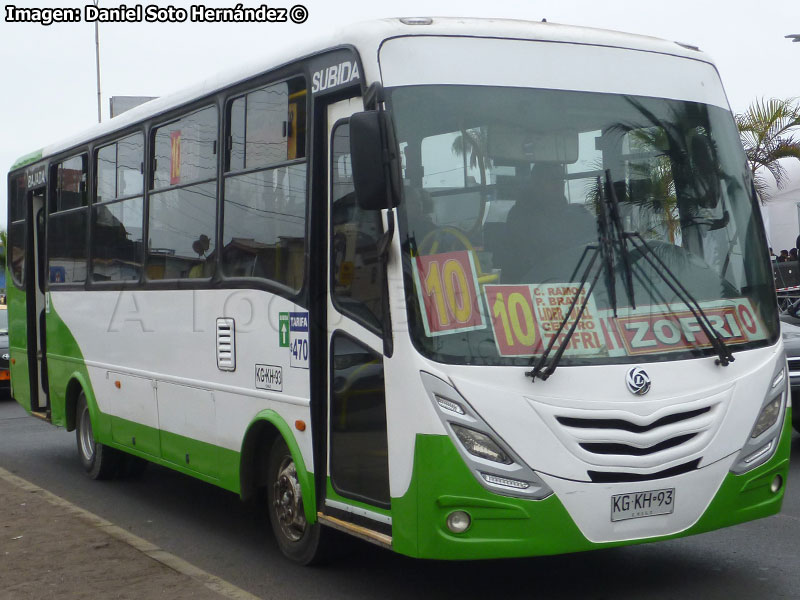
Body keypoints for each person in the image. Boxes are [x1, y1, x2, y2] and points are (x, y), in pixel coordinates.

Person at [495, 163, 596, 282]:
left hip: (583, 289)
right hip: (535, 289)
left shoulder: (579, 214)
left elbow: (600, 244)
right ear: (535, 184)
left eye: (560, 180)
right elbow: (527, 260)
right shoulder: (521, 217)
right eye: (551, 180)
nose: (558, 184)